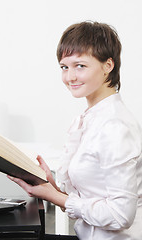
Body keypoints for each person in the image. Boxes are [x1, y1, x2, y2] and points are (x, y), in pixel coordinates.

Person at [8, 21, 142, 240]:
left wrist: (56, 197)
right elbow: (90, 198)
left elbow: (120, 216)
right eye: (64, 67)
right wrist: (49, 185)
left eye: (80, 66)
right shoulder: (89, 119)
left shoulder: (116, 127)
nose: (70, 77)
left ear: (108, 65)